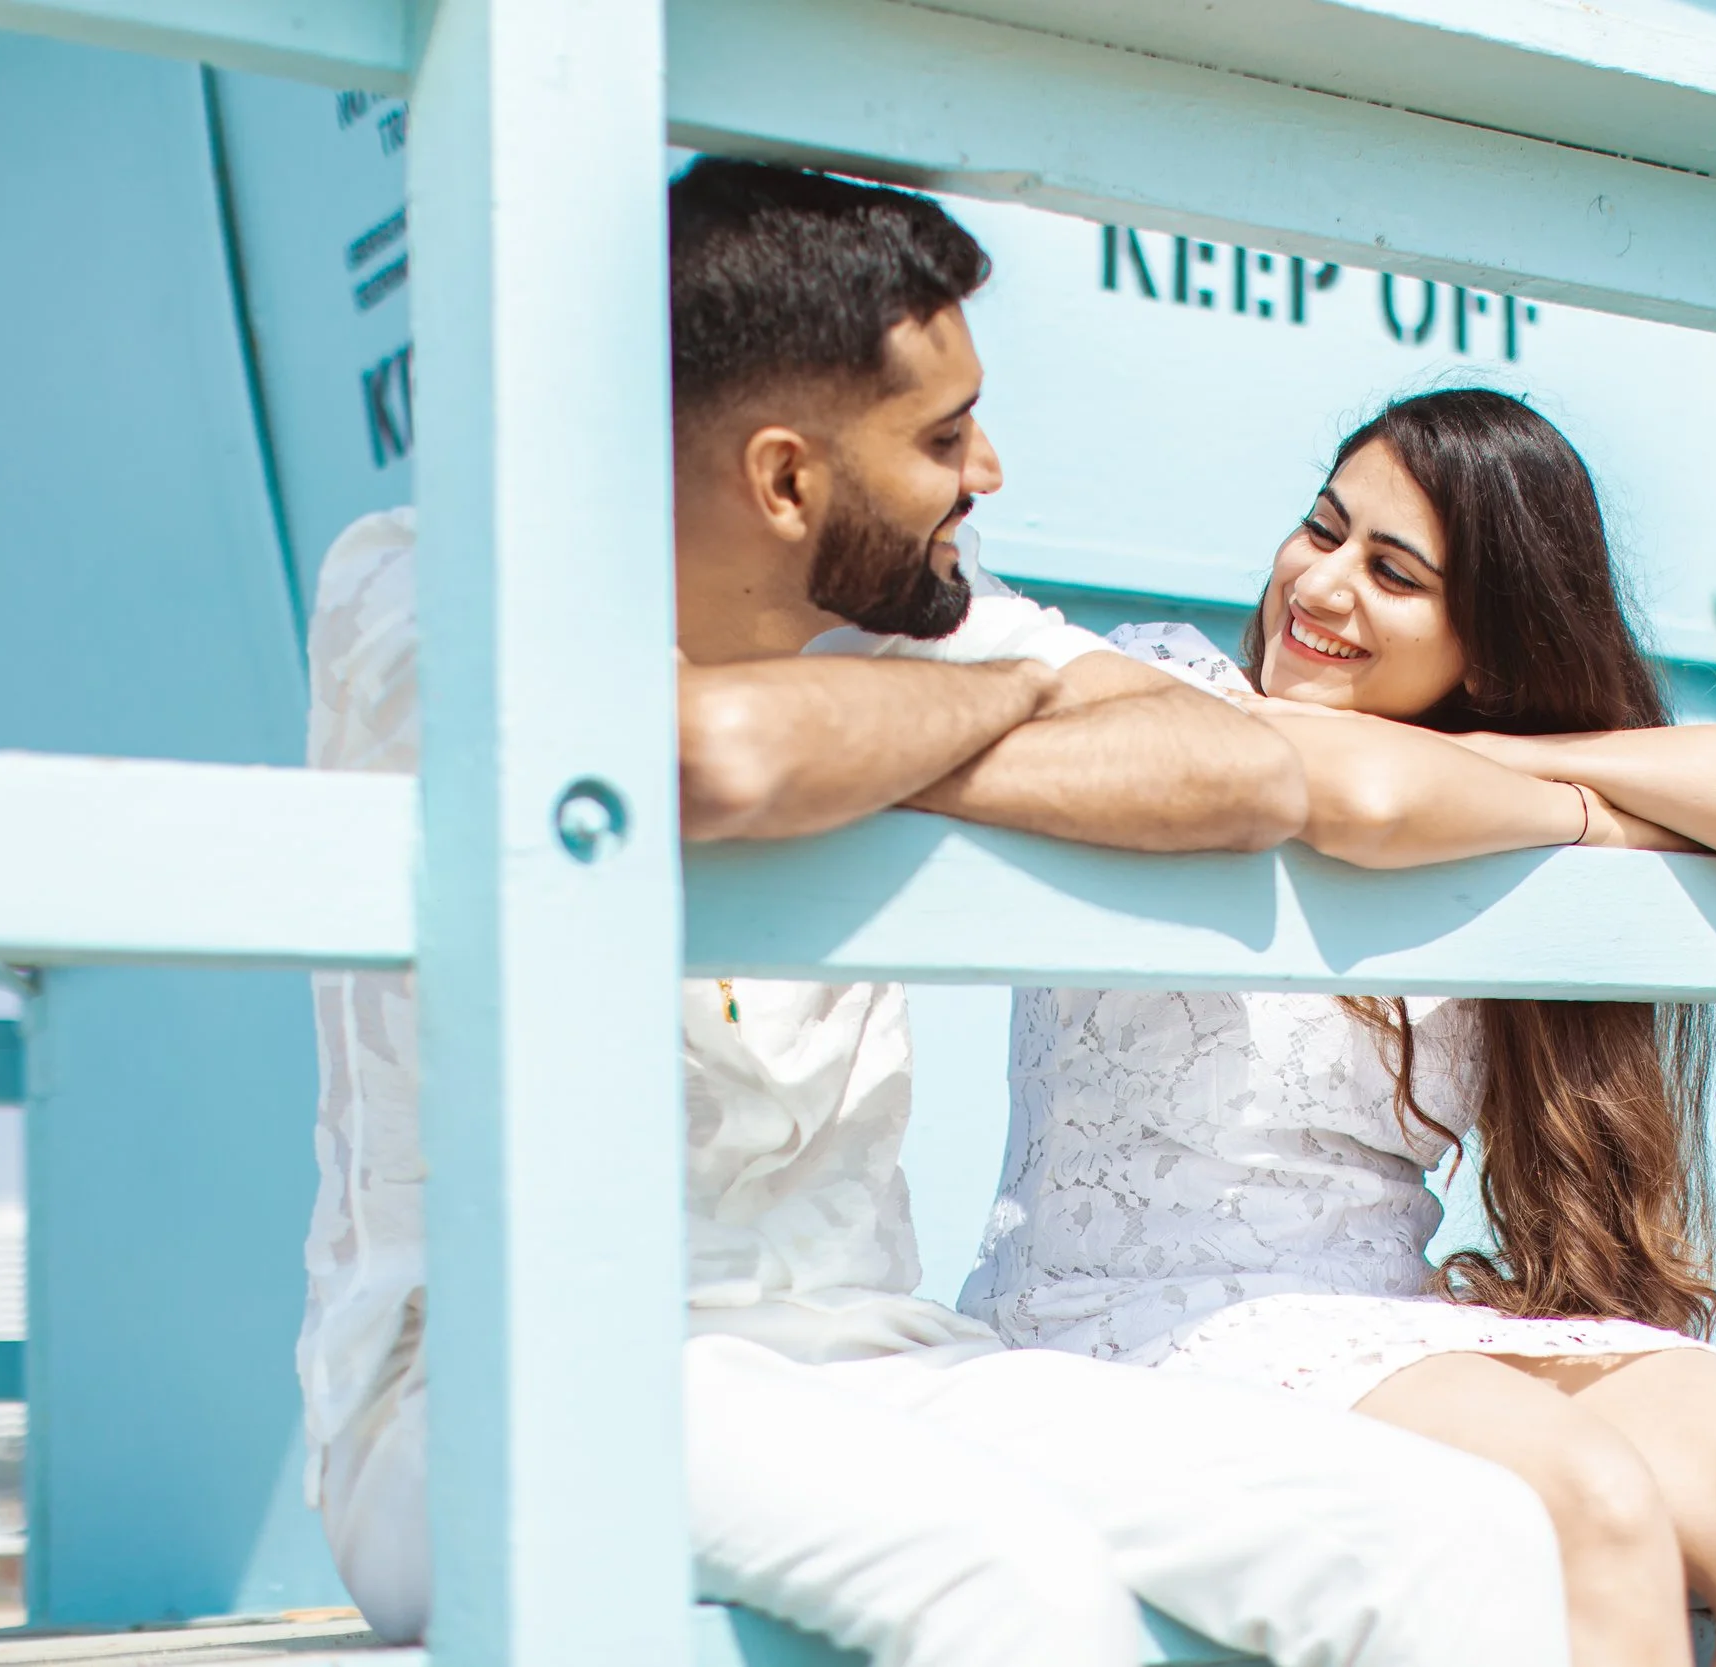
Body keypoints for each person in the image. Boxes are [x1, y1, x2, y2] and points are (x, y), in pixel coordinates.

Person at [298, 163, 1574, 1667]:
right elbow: (707, 754)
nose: (989, 471)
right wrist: (1005, 704)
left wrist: (892, 742)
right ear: (786, 481)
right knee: (1007, 1574)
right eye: (942, 436)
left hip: (864, 1347)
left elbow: (1237, 769)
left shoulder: (926, 623)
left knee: (1457, 1534)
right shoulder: (430, 575)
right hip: (499, 1379)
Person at [962, 389, 1716, 1667]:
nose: (1322, 584)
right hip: (1133, 1310)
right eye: (1323, 529)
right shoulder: (1174, 686)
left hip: (1379, 1315)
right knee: (1583, 1497)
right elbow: (1356, 792)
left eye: (1394, 573)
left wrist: (1518, 757)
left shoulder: (1479, 786)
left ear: (1490, 646)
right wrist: (1590, 817)